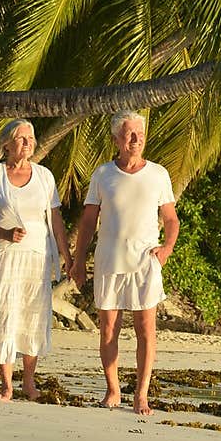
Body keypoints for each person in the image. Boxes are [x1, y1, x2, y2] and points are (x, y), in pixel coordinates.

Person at [71, 111, 179, 416]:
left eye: (140, 134)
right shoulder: (103, 174)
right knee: (108, 330)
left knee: (146, 329)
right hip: (109, 259)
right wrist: (79, 262)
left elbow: (170, 219)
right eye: (130, 134)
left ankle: (141, 394)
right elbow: (88, 221)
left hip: (146, 261)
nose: (136, 139)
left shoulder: (158, 174)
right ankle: (113, 389)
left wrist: (166, 249)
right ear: (117, 139)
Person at [0, 119, 72, 401]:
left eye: (31, 138)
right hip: (3, 255)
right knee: (5, 313)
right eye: (21, 138)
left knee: (32, 316)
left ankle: (28, 381)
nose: (27, 143)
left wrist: (67, 256)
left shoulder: (44, 177)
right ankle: (6, 384)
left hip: (36, 257)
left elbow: (56, 220)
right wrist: (3, 232)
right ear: (7, 143)